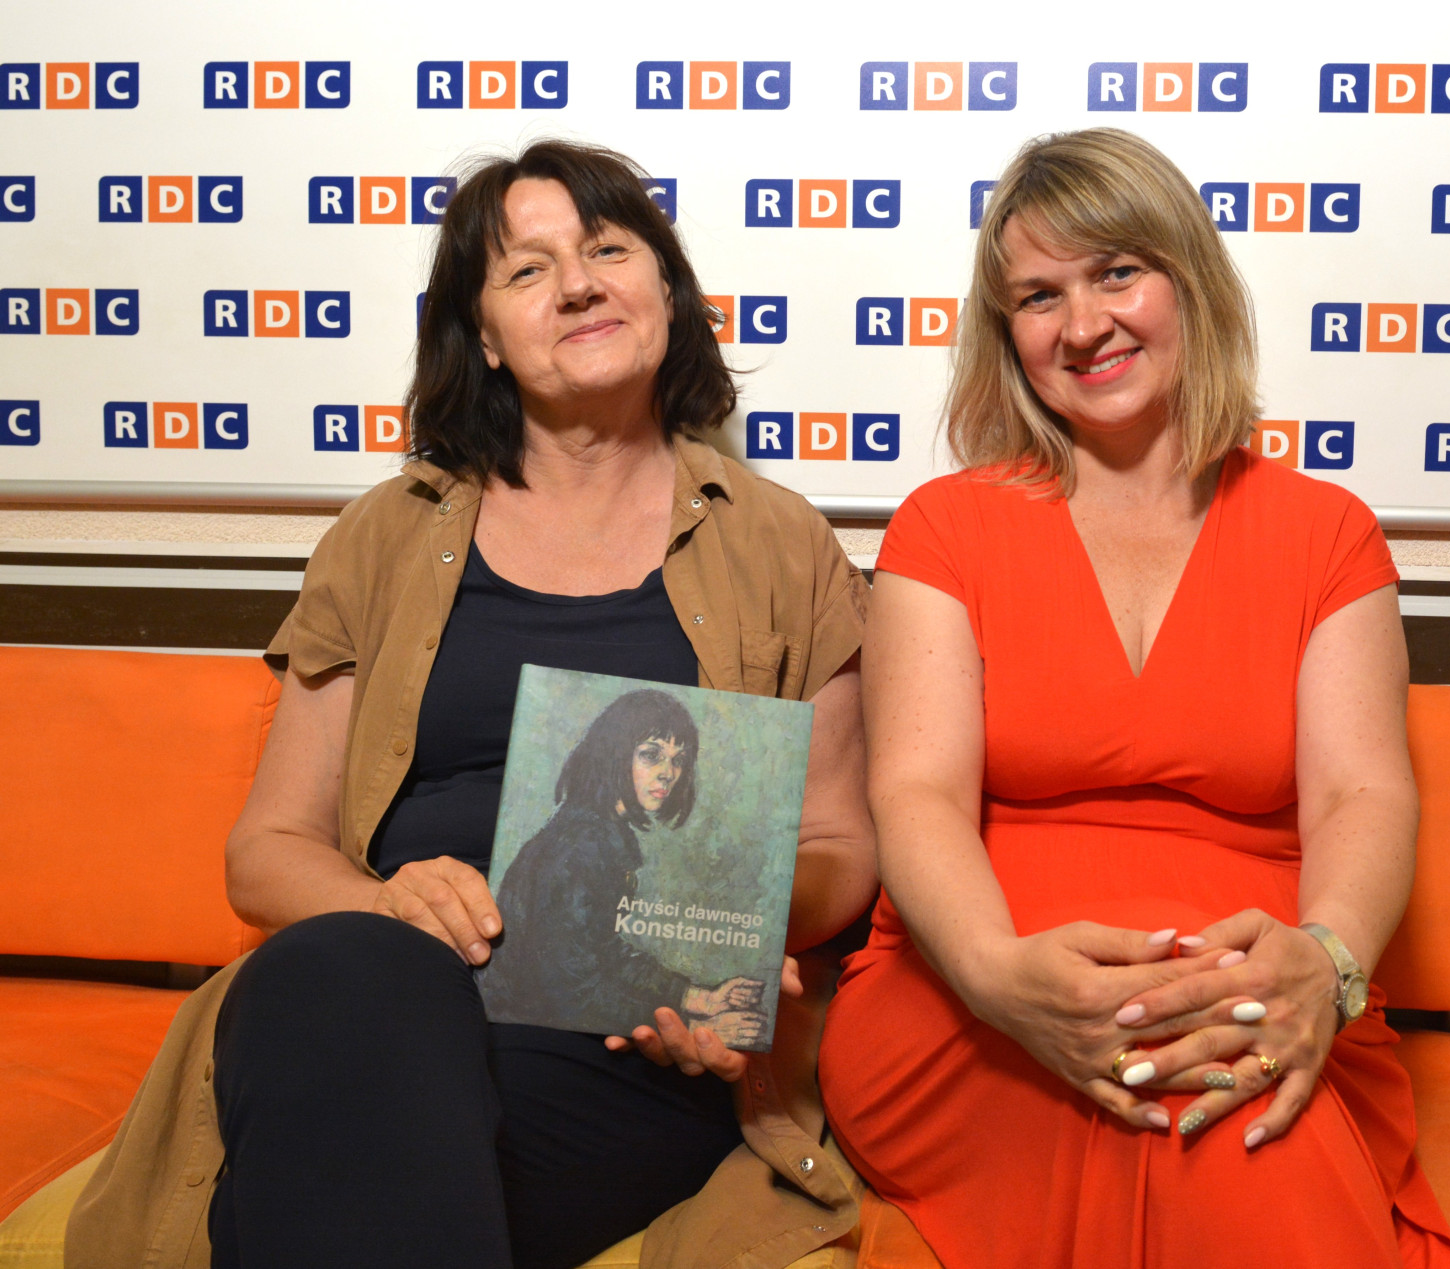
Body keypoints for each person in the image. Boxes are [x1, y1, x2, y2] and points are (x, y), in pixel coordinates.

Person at [66, 140, 876, 1269]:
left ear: (665, 290)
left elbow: (841, 844)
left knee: (313, 1181)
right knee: (346, 977)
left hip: (627, 1035)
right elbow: (267, 851)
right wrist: (387, 902)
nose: (579, 284)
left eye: (607, 249)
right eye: (528, 269)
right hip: (368, 993)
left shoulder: (782, 543)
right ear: (485, 336)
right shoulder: (384, 535)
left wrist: (721, 927)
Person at [818, 129, 1450, 1268]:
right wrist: (998, 977)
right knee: (1188, 1114)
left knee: (1227, 1111)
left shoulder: (1328, 533)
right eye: (1038, 295)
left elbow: (1361, 795)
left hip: (1250, 999)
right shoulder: (944, 527)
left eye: (1116, 272)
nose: (1081, 325)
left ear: (1187, 279)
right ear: (1006, 331)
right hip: (970, 1000)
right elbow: (915, 793)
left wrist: (1326, 964)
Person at [479, 688, 769, 1045]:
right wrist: (693, 1029)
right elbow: (572, 992)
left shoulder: (602, 835)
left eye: (678, 759)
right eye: (651, 755)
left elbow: (605, 952)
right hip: (522, 1036)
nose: (668, 773)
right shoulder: (577, 848)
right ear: (613, 753)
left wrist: (698, 998)